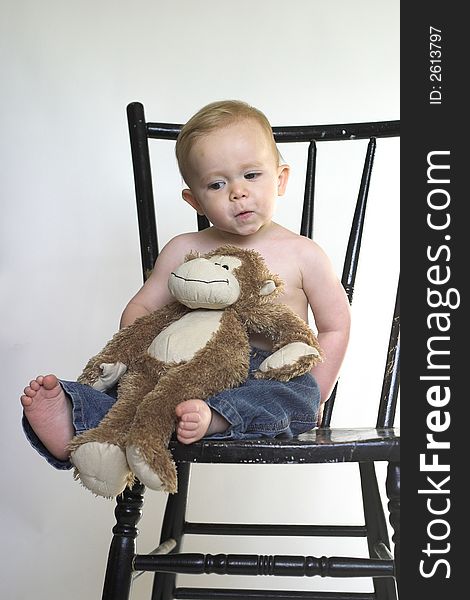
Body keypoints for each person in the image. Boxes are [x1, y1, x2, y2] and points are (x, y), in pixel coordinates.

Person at [21, 100, 351, 471]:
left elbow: (335, 325)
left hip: (264, 374)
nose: (237, 192)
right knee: (135, 392)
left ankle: (217, 417)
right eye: (217, 184)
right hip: (186, 371)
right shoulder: (185, 248)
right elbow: (142, 308)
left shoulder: (304, 254)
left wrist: (316, 393)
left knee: (290, 395)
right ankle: (76, 416)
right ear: (194, 199)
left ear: (281, 179)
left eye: (251, 175)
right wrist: (144, 355)